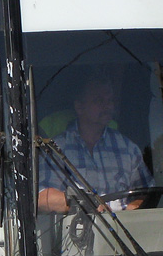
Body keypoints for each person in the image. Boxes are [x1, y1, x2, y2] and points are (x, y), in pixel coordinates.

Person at [38, 72, 152, 212]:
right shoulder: (56, 149)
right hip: (77, 229)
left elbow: (147, 192)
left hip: (125, 230)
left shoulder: (127, 148)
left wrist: (134, 207)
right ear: (79, 107)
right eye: (99, 101)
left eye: (110, 100)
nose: (108, 106)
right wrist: (83, 204)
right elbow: (42, 197)